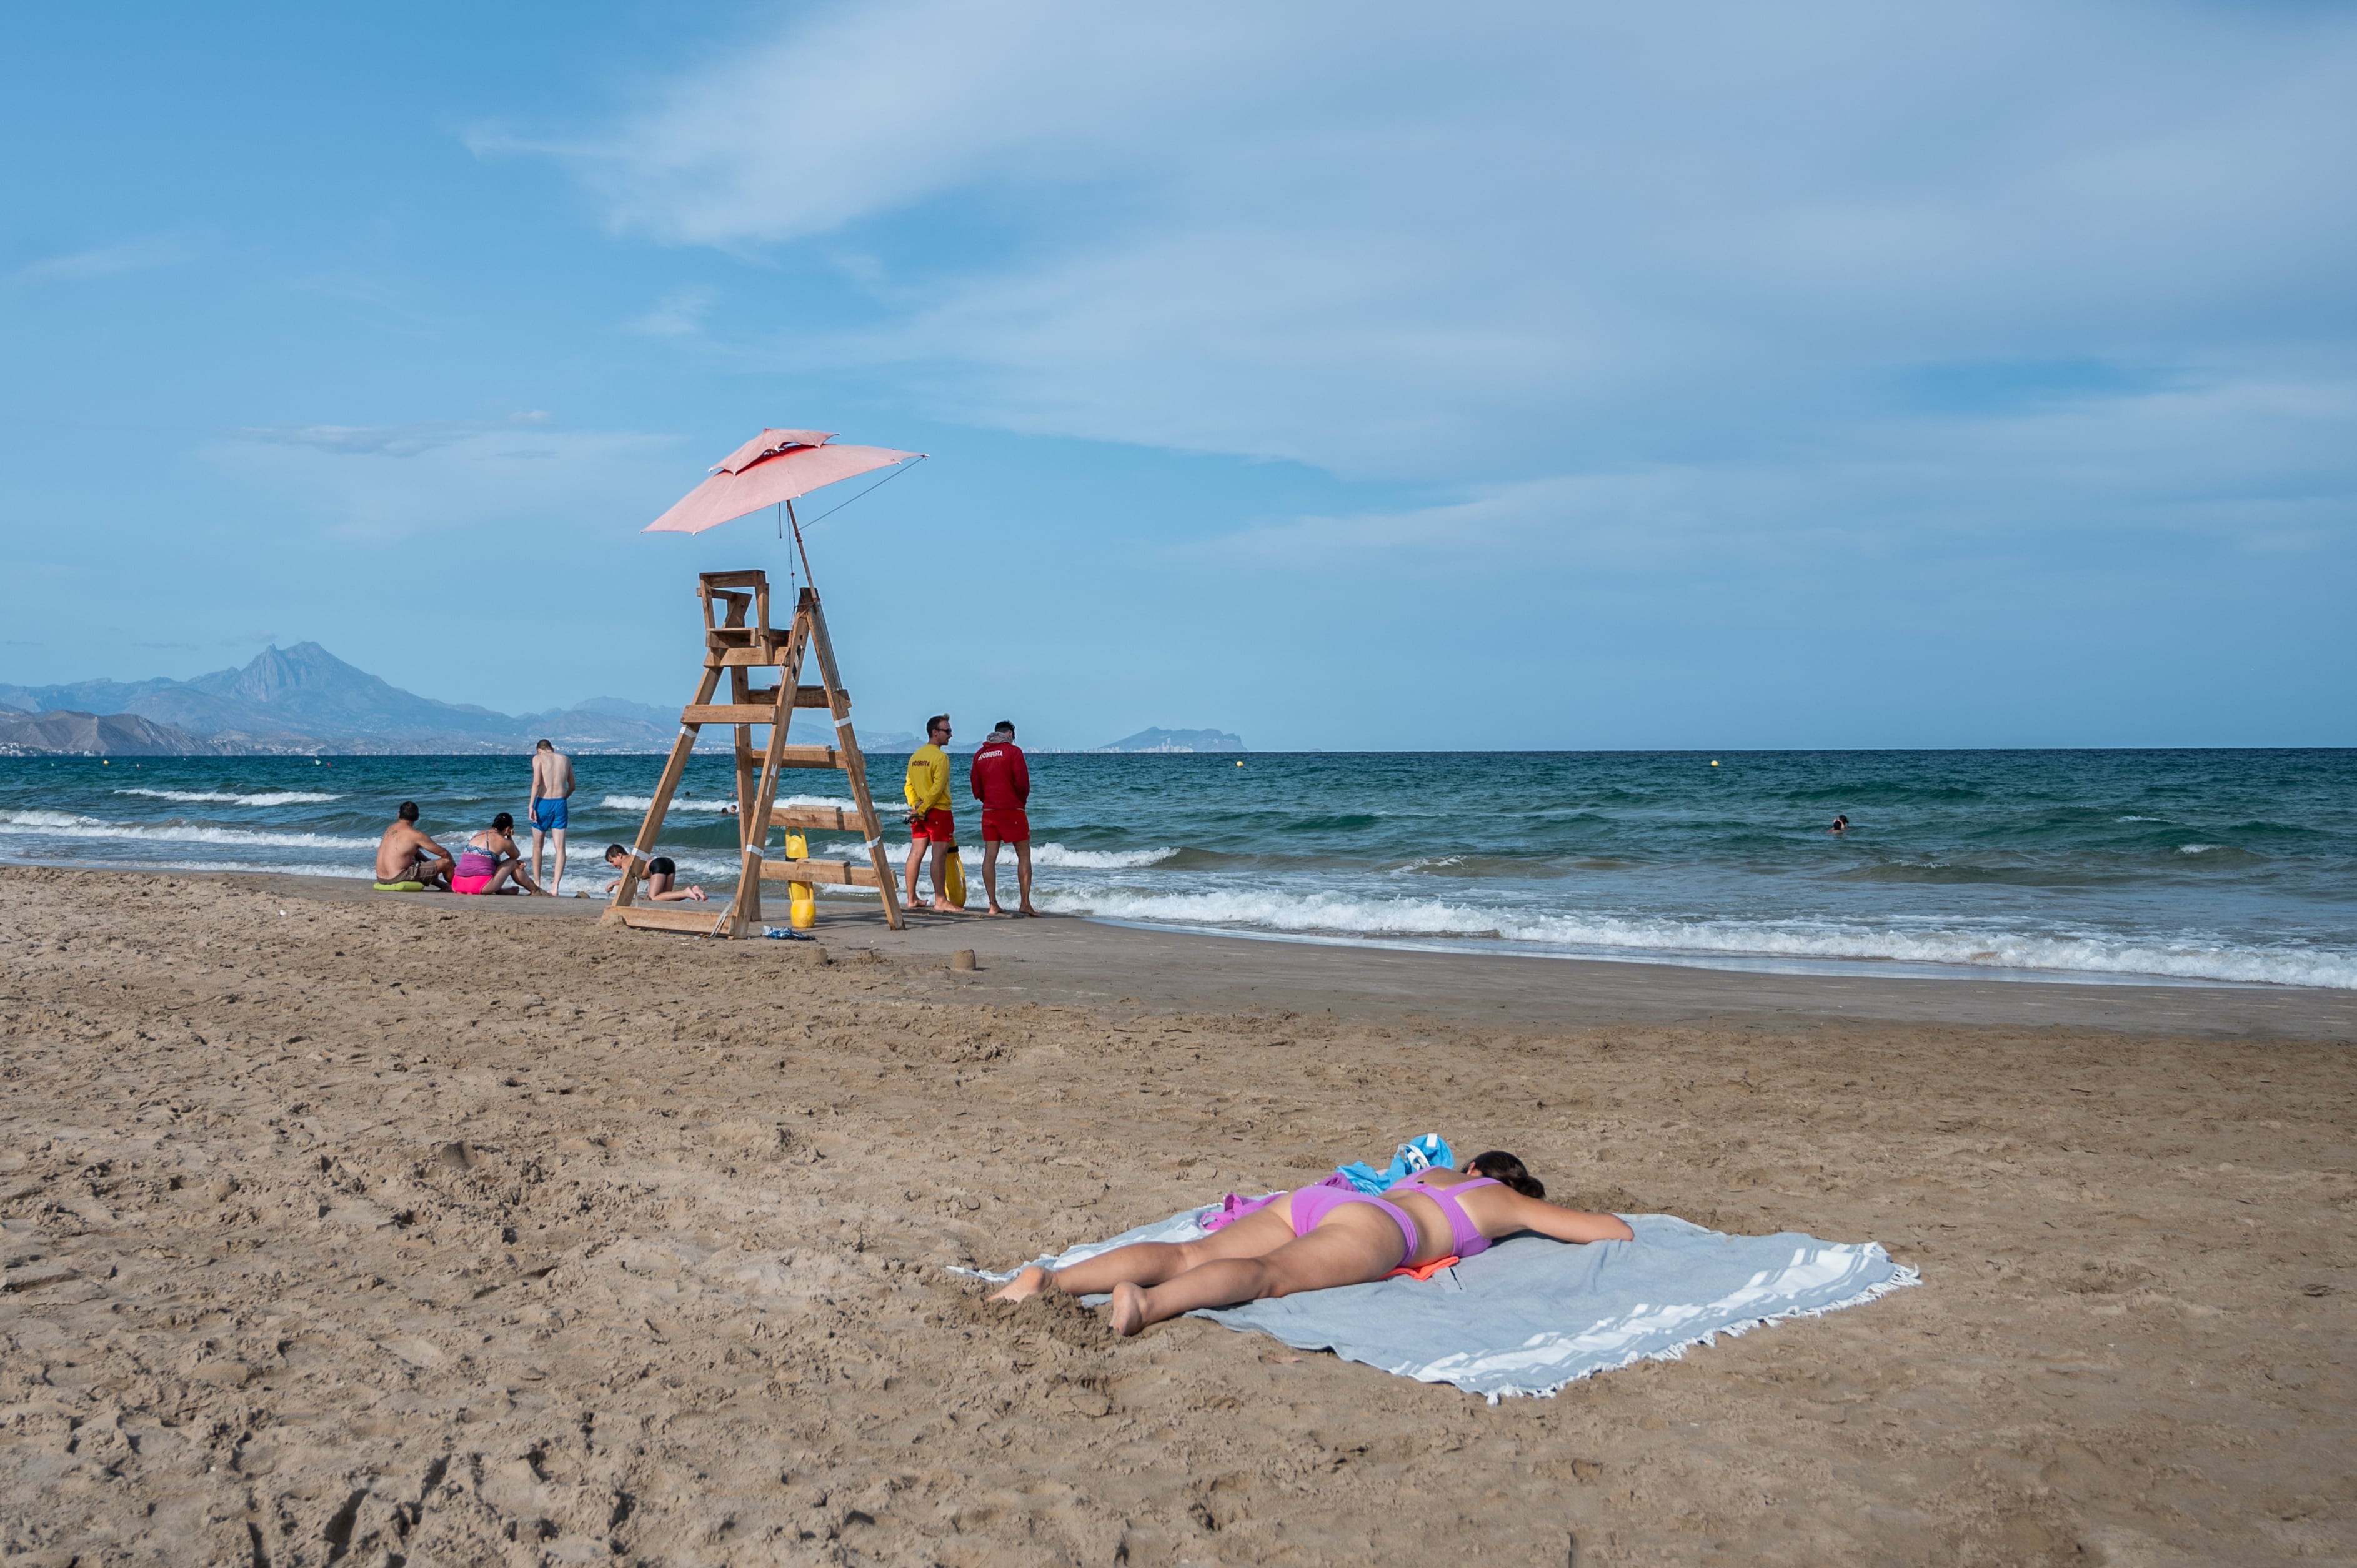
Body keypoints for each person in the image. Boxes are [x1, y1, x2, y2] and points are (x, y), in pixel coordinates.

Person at [989, 1152, 1632, 1336]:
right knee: (1267, 1275)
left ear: (1469, 1166)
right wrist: (1531, 1212)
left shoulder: (1430, 1173)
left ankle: (1050, 1278)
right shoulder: (1497, 1201)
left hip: (1326, 1200)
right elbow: (1605, 1228)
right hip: (1381, 1233)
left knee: (1190, 1252)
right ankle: (1146, 1306)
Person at [969, 720, 1036, 917]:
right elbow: (1022, 782)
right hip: (1012, 808)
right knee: (1023, 854)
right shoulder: (1013, 752)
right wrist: (1020, 801)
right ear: (1009, 734)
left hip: (989, 810)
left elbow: (976, 786)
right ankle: (1024, 903)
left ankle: (992, 904)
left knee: (990, 856)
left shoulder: (980, 754)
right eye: (1013, 737)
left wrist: (988, 799)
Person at [902, 713, 962, 913]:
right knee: (939, 854)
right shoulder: (941, 757)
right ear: (935, 732)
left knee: (916, 852)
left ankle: (911, 898)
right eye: (947, 731)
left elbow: (908, 785)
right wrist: (925, 807)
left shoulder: (916, 756)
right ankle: (940, 900)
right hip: (938, 811)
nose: (951, 735)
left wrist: (915, 806)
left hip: (919, 811)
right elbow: (938, 788)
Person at [451, 812, 547, 896]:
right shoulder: (503, 841)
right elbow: (515, 855)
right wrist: (509, 837)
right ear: (508, 828)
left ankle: (501, 890)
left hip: (457, 884)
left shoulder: (479, 834)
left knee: (488, 864)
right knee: (514, 863)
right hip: (480, 887)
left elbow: (486, 864)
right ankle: (535, 890)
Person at [528, 740, 575, 895]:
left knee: (537, 847)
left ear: (539, 750)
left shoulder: (538, 759)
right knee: (560, 848)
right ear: (551, 748)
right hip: (560, 804)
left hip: (543, 803)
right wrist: (563, 799)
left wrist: (531, 805)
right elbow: (572, 786)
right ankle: (555, 886)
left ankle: (537, 883)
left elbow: (536, 783)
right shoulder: (565, 759)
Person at [375, 801, 453, 889]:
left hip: (381, 878)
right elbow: (444, 854)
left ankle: (444, 886)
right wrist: (453, 866)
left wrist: (427, 861)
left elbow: (408, 850)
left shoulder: (390, 828)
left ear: (398, 815)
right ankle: (456, 886)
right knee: (447, 862)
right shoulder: (416, 835)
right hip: (398, 877)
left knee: (416, 862)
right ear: (417, 817)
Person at [601, 844, 709, 902]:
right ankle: (694, 891)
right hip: (668, 863)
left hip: (657, 865)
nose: (612, 865)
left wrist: (613, 883)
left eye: (612, 861)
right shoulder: (633, 858)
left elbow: (629, 880)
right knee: (667, 898)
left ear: (620, 855)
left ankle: (686, 892)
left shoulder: (626, 862)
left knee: (654, 897)